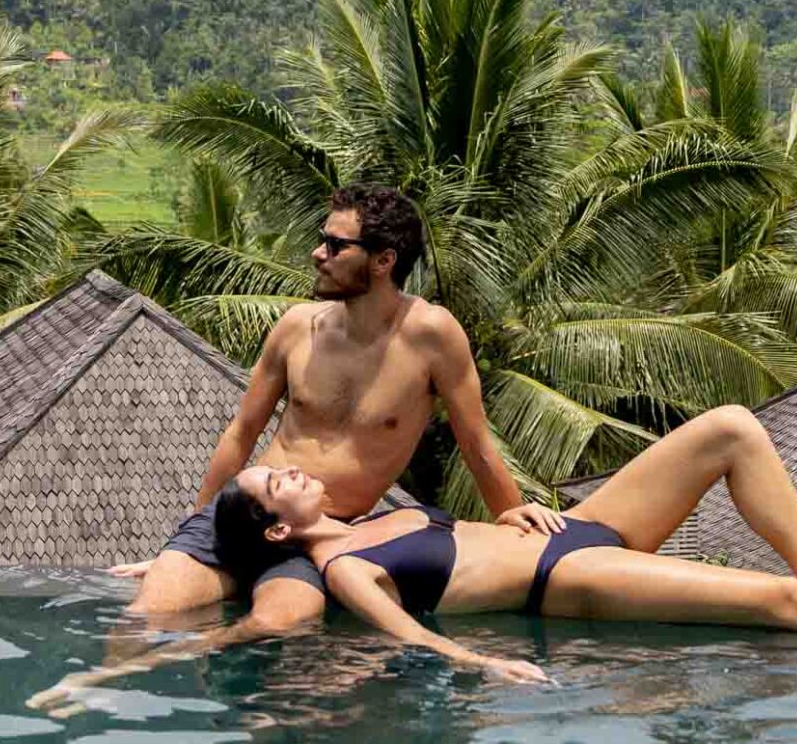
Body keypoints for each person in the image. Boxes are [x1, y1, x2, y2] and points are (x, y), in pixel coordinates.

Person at [31, 403, 797, 712]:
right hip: (569, 578)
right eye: (280, 484)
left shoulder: (374, 517)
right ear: (272, 531)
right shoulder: (335, 572)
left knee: (729, 425)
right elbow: (398, 637)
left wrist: (526, 507)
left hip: (573, 526)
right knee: (774, 601)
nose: (297, 469)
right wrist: (98, 669)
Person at [122, 183, 561, 645]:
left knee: (281, 625)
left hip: (312, 540)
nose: (317, 253)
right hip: (245, 517)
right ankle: (83, 691)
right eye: (322, 239)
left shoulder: (431, 334)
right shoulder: (297, 327)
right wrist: (196, 530)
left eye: (335, 245)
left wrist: (512, 514)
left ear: (383, 261)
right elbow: (241, 433)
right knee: (147, 614)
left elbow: (474, 443)